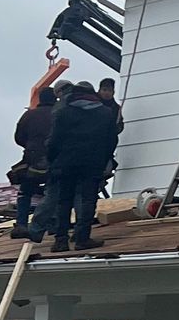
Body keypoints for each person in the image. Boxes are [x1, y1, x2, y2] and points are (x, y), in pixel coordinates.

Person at [39, 82, 120, 253]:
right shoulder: (105, 113)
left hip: (65, 163)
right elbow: (112, 140)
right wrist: (103, 159)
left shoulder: (64, 112)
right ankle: (82, 238)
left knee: (64, 201)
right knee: (88, 200)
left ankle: (60, 240)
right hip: (92, 164)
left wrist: (53, 160)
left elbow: (54, 140)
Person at [11, 55, 70, 238]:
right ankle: (52, 224)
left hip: (32, 160)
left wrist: (30, 146)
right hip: (54, 159)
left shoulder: (30, 115)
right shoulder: (59, 114)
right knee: (52, 193)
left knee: (26, 192)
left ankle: (21, 223)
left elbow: (18, 137)